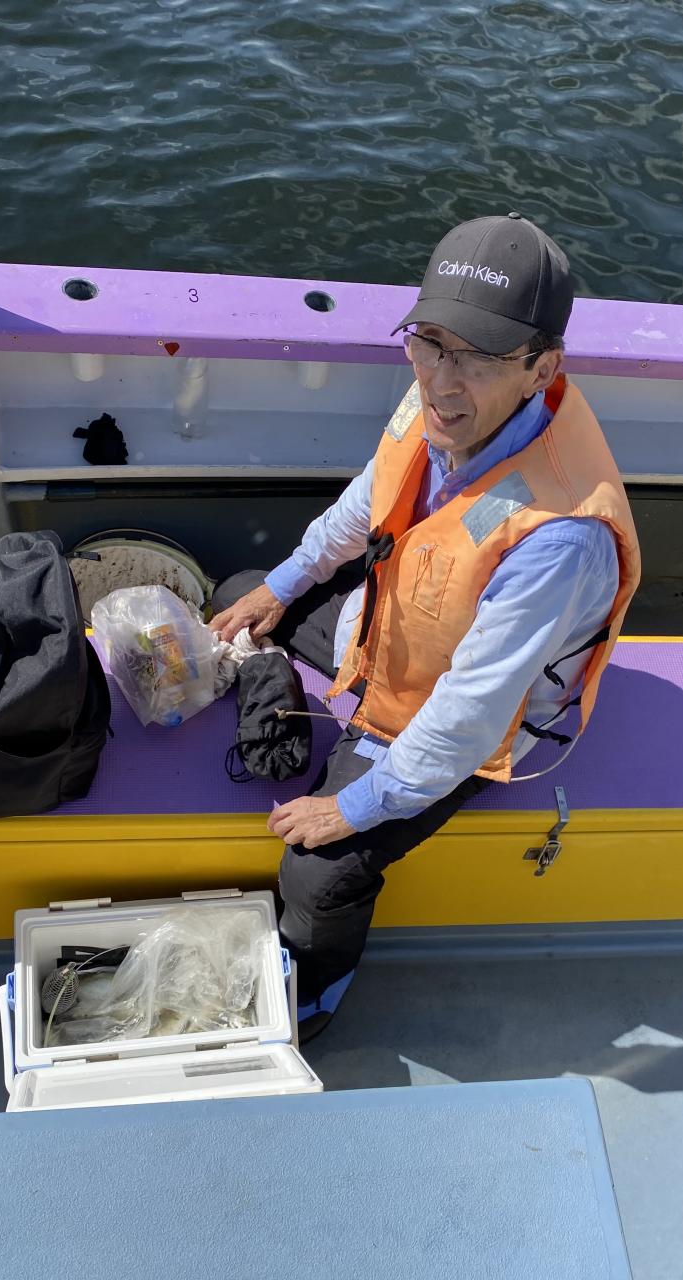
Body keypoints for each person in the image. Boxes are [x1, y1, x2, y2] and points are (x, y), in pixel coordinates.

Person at [211, 213, 641, 1039]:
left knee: (316, 877)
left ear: (541, 368)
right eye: (431, 342)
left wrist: (353, 806)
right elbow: (368, 499)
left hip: (468, 721)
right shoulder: (437, 400)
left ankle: (313, 1004)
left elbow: (471, 714)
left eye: (478, 356)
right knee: (242, 597)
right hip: (398, 637)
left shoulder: (560, 536)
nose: (443, 381)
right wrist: (283, 584)